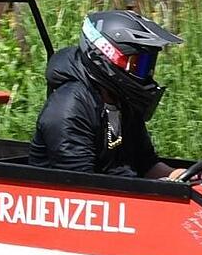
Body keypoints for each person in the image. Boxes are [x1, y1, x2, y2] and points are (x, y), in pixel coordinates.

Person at [27, 10, 189, 180]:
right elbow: (81, 186)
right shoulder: (67, 110)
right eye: (137, 64)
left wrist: (182, 177)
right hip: (82, 198)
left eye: (148, 65)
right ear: (107, 57)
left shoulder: (123, 101)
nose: (146, 73)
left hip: (115, 194)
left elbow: (145, 164)